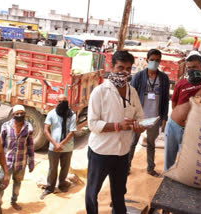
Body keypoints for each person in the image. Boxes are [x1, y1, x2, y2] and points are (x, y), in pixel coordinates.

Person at [85, 51, 144, 214]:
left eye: (127, 68)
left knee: (119, 193)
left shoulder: (132, 92)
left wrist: (140, 125)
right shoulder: (100, 92)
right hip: (101, 152)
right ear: (111, 67)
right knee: (92, 192)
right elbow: (93, 124)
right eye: (120, 67)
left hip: (122, 152)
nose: (123, 72)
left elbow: (139, 116)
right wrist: (118, 126)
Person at [129, 49, 170, 177]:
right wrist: (130, 116)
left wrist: (164, 118)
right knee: (132, 143)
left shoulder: (163, 78)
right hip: (139, 118)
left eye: (157, 60)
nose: (154, 62)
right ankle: (126, 167)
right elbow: (131, 97)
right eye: (152, 60)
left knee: (151, 144)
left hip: (154, 117)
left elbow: (165, 100)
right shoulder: (139, 76)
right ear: (147, 60)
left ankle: (150, 168)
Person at [40, 94, 76, 199]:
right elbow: (46, 130)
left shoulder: (72, 115)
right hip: (53, 147)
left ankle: (62, 184)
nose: (62, 103)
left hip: (67, 147)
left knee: (65, 168)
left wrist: (62, 144)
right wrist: (55, 144)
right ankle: (50, 188)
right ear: (56, 102)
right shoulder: (51, 114)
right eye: (60, 101)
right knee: (52, 168)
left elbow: (72, 131)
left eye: (64, 101)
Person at [0, 105, 34, 210]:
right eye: (17, 113)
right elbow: (0, 145)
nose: (19, 115)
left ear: (25, 114)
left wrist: (31, 162)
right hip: (7, 162)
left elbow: (30, 145)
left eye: (21, 113)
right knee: (2, 183)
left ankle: (14, 201)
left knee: (17, 183)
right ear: (13, 114)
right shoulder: (5, 126)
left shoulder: (28, 127)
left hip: (21, 162)